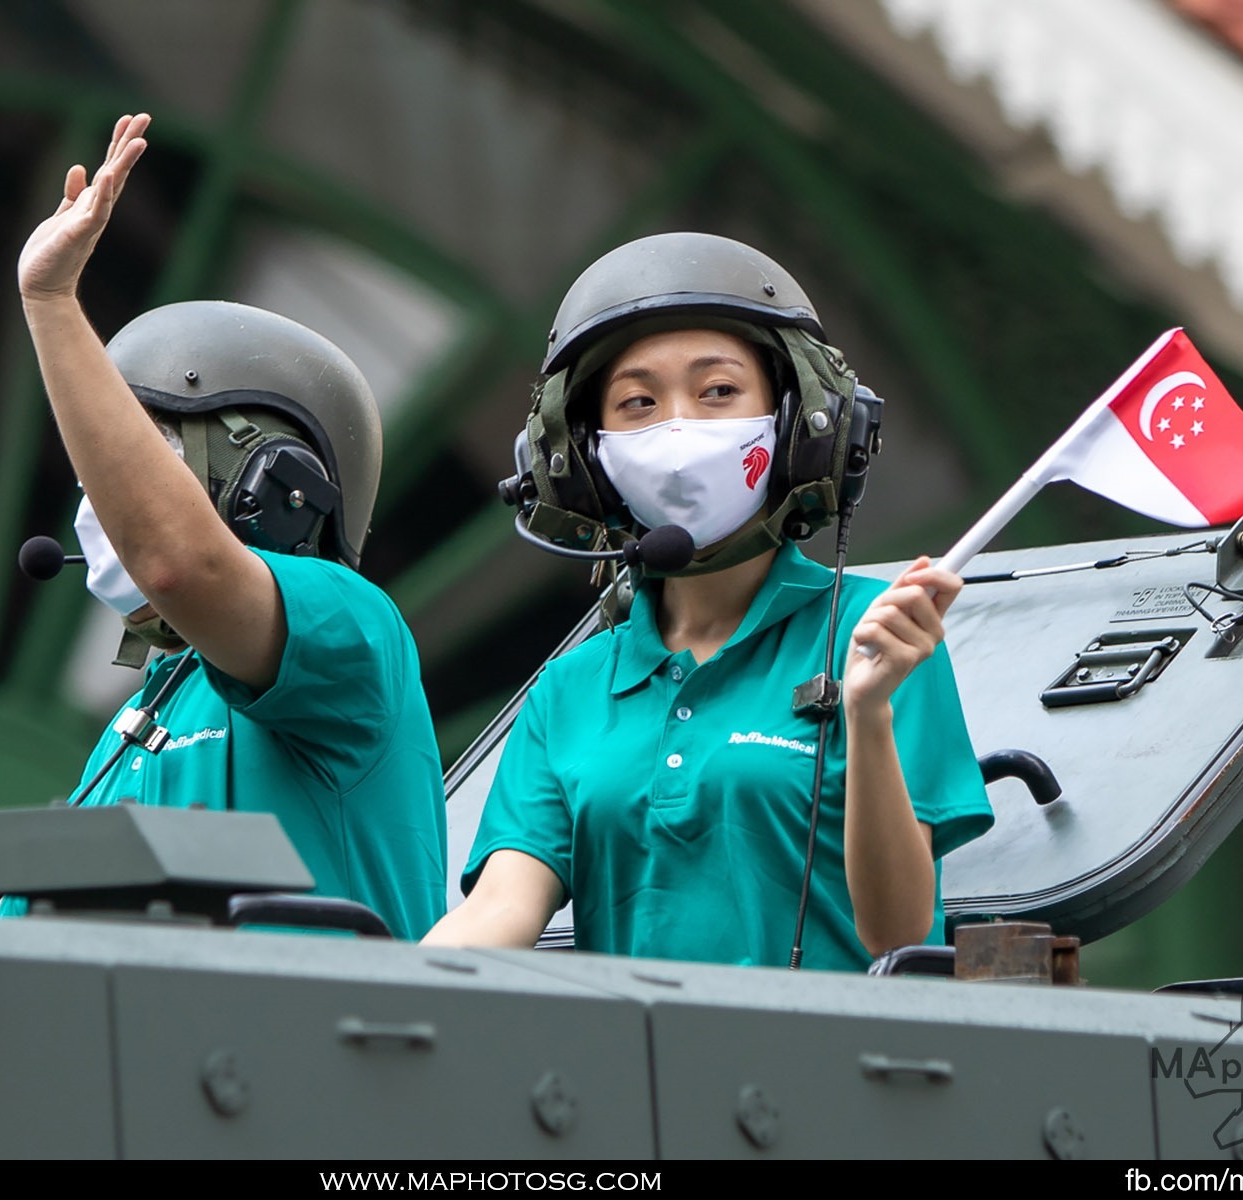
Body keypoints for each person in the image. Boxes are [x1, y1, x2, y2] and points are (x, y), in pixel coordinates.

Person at [0, 112, 448, 940]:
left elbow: (178, 563)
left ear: (276, 489)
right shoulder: (148, 717)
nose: (102, 494)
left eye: (147, 451)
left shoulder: (353, 631)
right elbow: (1, 909)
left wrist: (52, 303)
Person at [423, 231, 993, 970]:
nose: (678, 426)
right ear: (582, 455)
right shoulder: (570, 689)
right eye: (637, 402)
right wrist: (368, 991)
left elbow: (901, 936)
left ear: (800, 422)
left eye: (719, 390)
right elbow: (500, 910)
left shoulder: (879, 634)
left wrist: (869, 712)